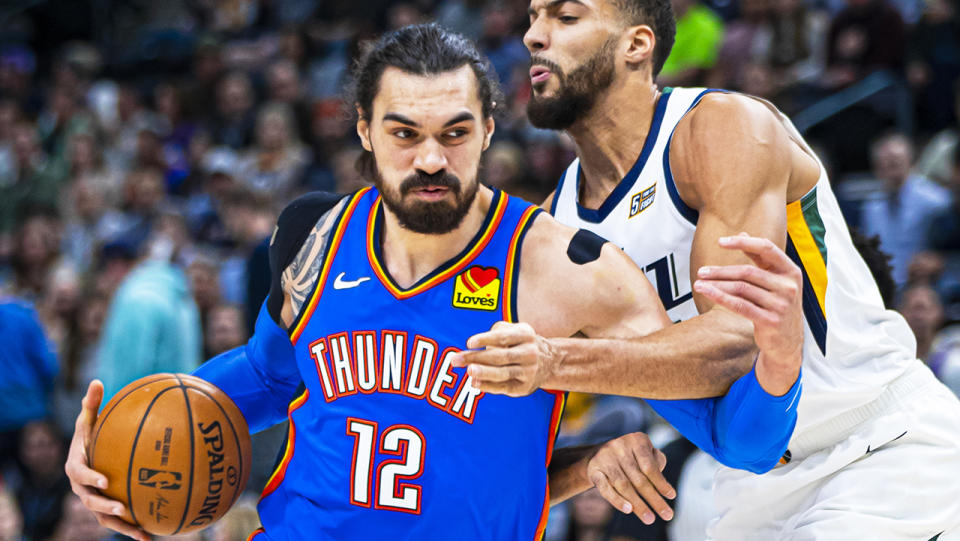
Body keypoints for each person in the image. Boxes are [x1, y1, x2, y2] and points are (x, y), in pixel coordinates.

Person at [63, 25, 803, 540]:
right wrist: (118, 454)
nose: (429, 159)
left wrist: (778, 362)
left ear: (487, 129)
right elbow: (266, 372)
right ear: (362, 130)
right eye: (403, 133)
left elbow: (742, 441)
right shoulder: (315, 236)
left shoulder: (569, 269)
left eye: (453, 132)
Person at [457, 1, 960, 539]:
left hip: (875, 442)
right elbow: (502, 465)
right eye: (533, 17)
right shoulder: (558, 226)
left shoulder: (721, 129)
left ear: (637, 44)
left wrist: (554, 361)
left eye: (566, 16)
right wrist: (587, 462)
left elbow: (734, 344)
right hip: (747, 480)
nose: (534, 34)